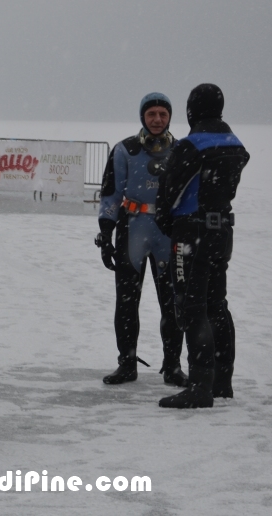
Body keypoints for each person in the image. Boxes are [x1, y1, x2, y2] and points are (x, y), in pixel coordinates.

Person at [155, 84, 250, 408]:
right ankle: (222, 381)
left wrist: (168, 223)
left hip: (190, 233)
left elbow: (169, 191)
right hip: (222, 229)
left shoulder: (191, 145)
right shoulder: (234, 144)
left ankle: (199, 385)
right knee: (217, 306)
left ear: (191, 109)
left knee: (191, 307)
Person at [96, 93, 187, 387]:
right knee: (126, 302)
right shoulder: (125, 150)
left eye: (163, 114)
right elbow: (110, 193)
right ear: (142, 118)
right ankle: (127, 364)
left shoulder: (181, 151)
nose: (158, 119)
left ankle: (172, 366)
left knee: (172, 303)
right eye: (152, 114)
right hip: (132, 230)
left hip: (168, 232)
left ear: (170, 117)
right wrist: (105, 231)